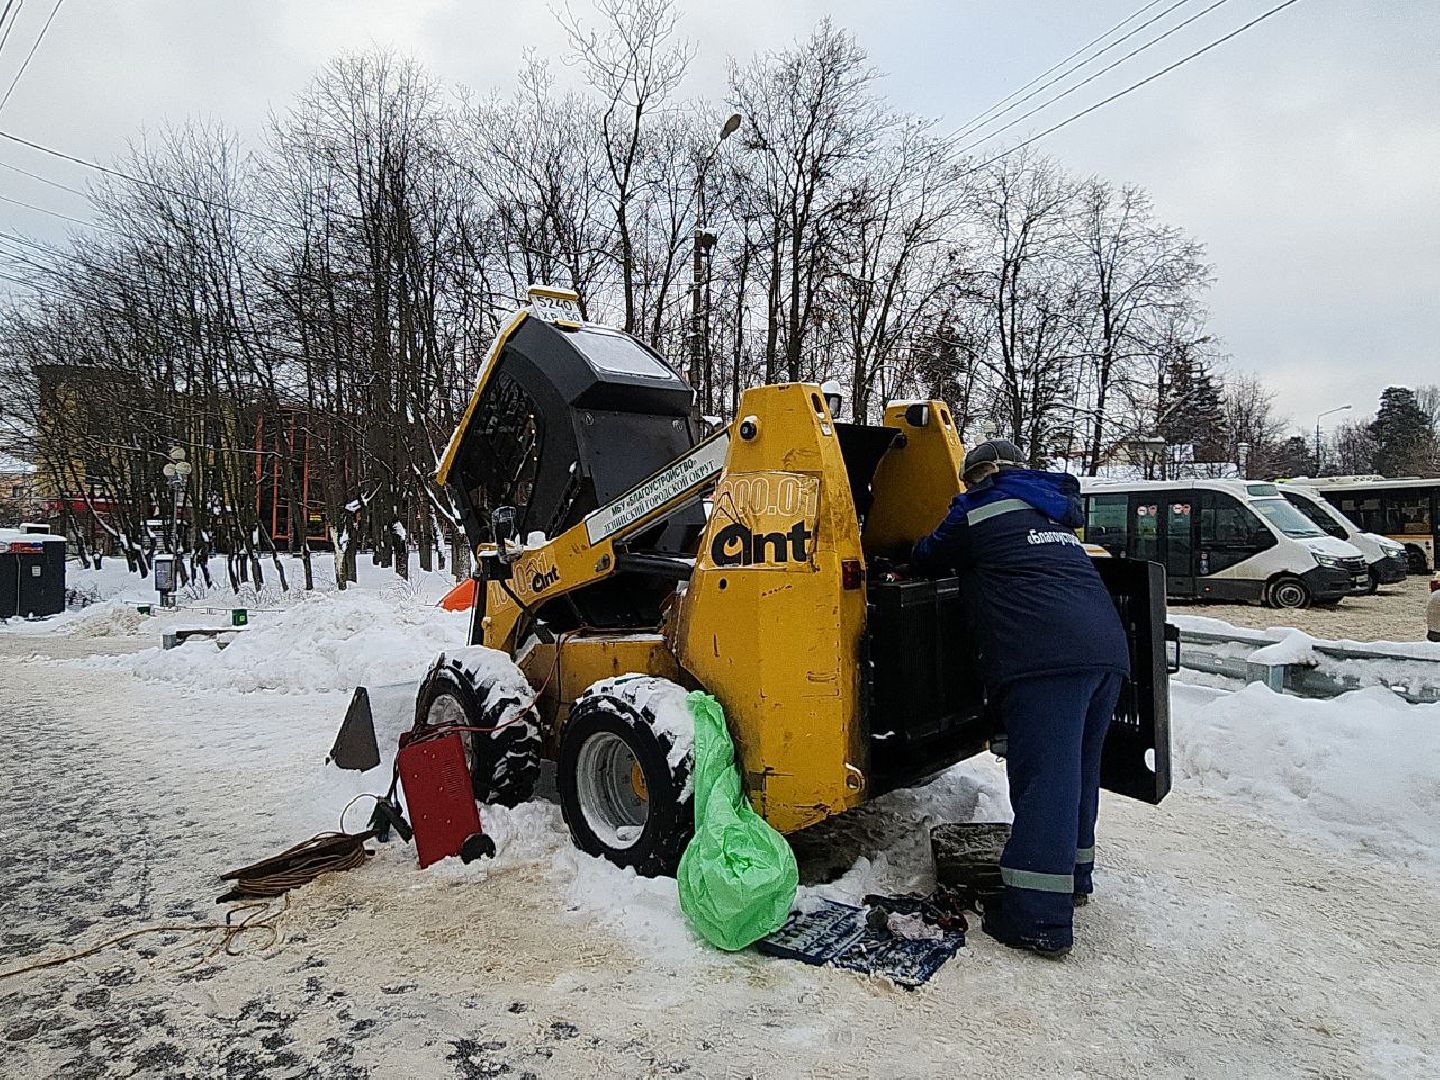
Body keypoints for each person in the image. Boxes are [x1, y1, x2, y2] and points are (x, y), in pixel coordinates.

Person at [912, 439, 1130, 958]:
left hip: (1045, 660)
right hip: (1104, 653)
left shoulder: (979, 508)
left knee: (1045, 780)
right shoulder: (1050, 511)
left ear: (981, 475)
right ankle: (1073, 878)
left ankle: (1037, 918)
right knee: (1076, 770)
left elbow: (927, 554)